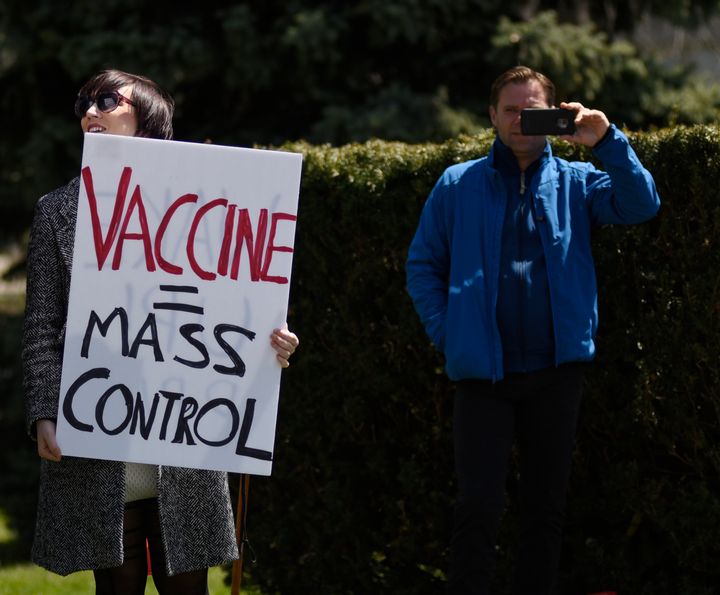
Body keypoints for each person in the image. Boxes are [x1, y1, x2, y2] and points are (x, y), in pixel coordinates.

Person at [22, 69, 300, 595]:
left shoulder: (206, 205)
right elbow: (43, 325)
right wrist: (43, 411)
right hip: (102, 434)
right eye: (84, 102)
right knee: (118, 587)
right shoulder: (60, 211)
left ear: (147, 120)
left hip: (186, 436)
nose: (90, 111)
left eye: (107, 100)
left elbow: (236, 307)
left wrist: (271, 343)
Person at [405, 65, 660, 594]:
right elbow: (422, 265)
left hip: (555, 372)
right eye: (510, 109)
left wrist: (606, 140)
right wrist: (450, 333)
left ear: (555, 116)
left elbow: (642, 204)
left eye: (533, 109)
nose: (521, 119)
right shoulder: (457, 184)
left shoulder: (578, 181)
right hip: (482, 375)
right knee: (477, 508)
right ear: (492, 116)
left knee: (546, 509)